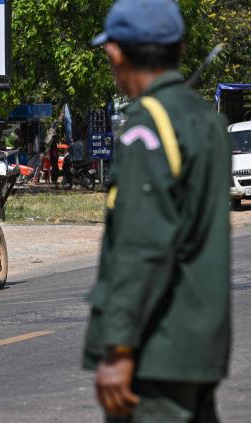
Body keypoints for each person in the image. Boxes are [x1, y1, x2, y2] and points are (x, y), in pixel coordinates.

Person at [82, 1, 231, 422]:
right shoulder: (205, 119)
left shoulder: (148, 125)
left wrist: (119, 348)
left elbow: (142, 245)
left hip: (156, 350)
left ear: (116, 53)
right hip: (199, 347)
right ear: (180, 49)